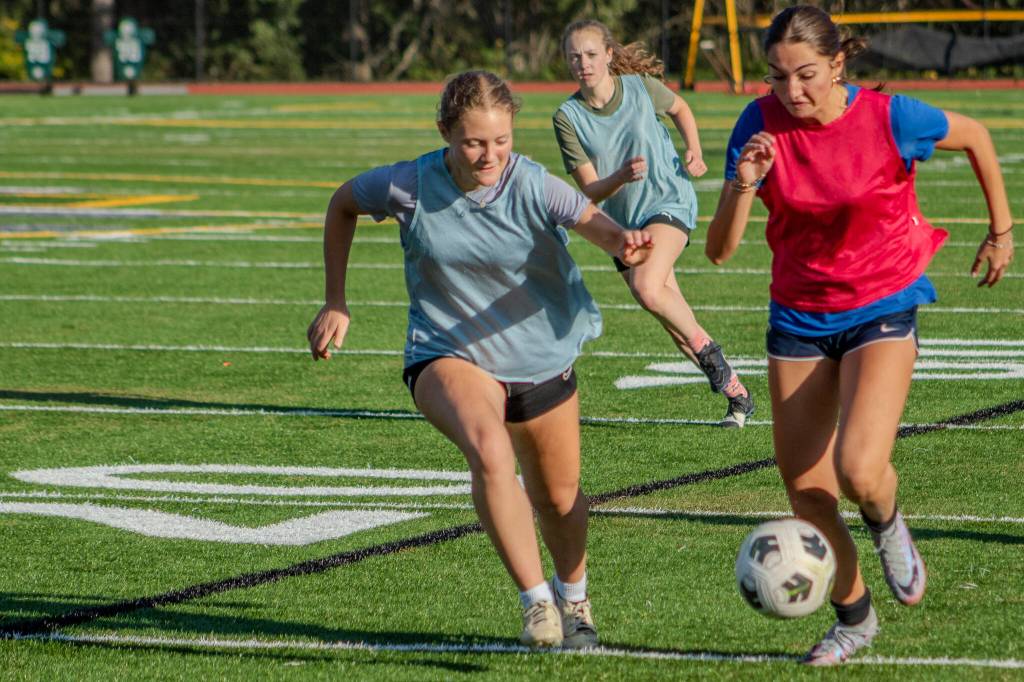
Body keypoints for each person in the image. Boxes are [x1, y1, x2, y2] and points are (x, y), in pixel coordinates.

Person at [706, 6, 1014, 666]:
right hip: (798, 317)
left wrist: (1002, 229)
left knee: (858, 472)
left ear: (839, 63)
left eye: (807, 75)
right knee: (807, 491)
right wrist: (742, 183)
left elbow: (979, 137)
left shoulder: (889, 116)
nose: (792, 92)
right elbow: (721, 250)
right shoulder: (758, 125)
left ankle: (887, 522)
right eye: (779, 77)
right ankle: (854, 619)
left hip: (883, 301)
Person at [307, 70, 655, 649]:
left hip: (539, 354)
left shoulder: (536, 184)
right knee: (491, 451)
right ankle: (537, 603)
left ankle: (574, 600)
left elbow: (596, 226)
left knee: (559, 500)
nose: (489, 154)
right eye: (473, 143)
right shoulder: (409, 185)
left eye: (501, 141)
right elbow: (342, 203)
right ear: (445, 132)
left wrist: (626, 242)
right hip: (446, 352)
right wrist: (336, 301)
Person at [554, 18, 755, 427]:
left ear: (609, 55)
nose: (584, 63)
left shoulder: (638, 88)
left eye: (591, 54)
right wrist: (621, 178)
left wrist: (694, 151)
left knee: (648, 288)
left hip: (668, 201)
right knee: (674, 323)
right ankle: (737, 394)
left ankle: (713, 356)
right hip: (622, 228)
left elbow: (680, 108)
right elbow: (590, 192)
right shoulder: (567, 117)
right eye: (575, 57)